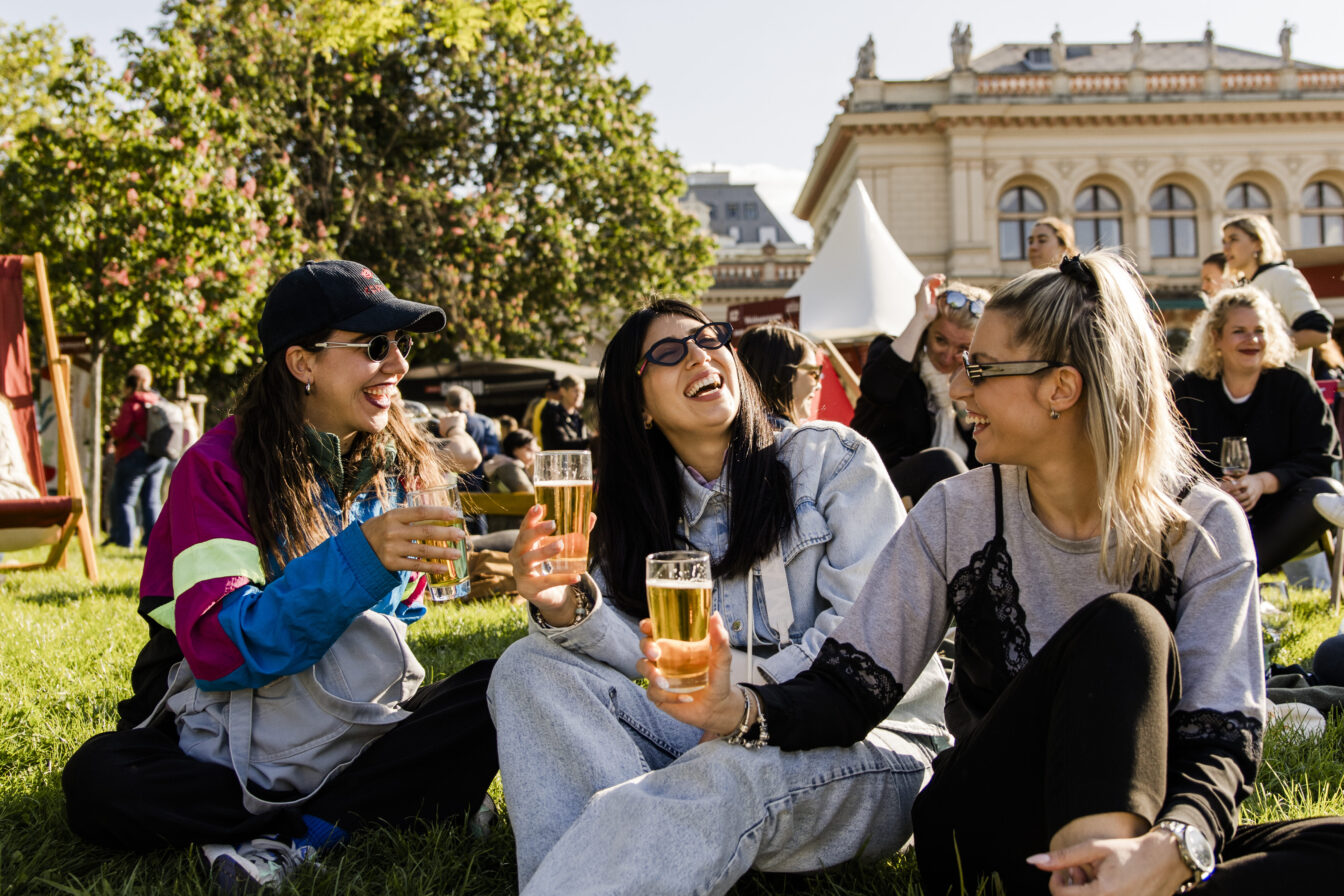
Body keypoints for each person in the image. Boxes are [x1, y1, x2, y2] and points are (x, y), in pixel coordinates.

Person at [646, 253, 1344, 896]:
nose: (955, 387)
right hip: (986, 830)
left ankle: (1124, 879)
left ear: (1060, 388)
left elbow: (1221, 738)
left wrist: (1177, 844)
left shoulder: (1204, 525)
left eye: (979, 370)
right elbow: (848, 691)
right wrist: (737, 708)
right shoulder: (960, 511)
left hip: (1145, 826)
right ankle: (1097, 877)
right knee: (1125, 626)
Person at [62, 260, 498, 892]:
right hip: (235, 719)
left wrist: (528, 579)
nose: (399, 365)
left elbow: (399, 624)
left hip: (352, 716)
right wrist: (359, 558)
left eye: (401, 345)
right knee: (101, 781)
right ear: (303, 363)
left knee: (501, 685)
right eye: (375, 346)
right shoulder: (215, 468)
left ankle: (295, 827)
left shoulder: (399, 466)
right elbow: (218, 649)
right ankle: (362, 809)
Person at [488, 298, 947, 895]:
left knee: (726, 768)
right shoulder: (644, 513)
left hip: (869, 745)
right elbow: (645, 659)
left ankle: (641, 850)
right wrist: (563, 605)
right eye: (669, 353)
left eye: (710, 340)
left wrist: (742, 707)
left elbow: (864, 645)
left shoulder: (831, 459)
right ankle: (634, 860)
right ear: (640, 407)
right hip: (714, 733)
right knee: (525, 668)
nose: (701, 355)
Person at [1173, 287, 1341, 574]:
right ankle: (1227, 574)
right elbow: (1169, 461)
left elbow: (1322, 456)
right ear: (1216, 337)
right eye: (1239, 331)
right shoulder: (1189, 391)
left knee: (1325, 492)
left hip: (1277, 512)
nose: (1252, 340)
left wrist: (1264, 482)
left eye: (1259, 331)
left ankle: (1234, 574)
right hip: (1208, 514)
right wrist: (1213, 489)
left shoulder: (1295, 386)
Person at [850, 276, 988, 504]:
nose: (947, 355)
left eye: (962, 348)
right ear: (927, 331)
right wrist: (921, 317)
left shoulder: (973, 382)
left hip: (942, 502)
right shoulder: (897, 355)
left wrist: (965, 397)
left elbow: (980, 461)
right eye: (940, 340)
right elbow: (877, 389)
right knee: (941, 462)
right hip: (874, 488)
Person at [1222, 214, 1331, 373]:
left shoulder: (1282, 276)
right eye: (1224, 242)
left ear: (1257, 243)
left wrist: (1262, 349)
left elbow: (1318, 333)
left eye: (1233, 239)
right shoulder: (1244, 287)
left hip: (1284, 390)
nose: (1226, 248)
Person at [106, 364, 169, 547]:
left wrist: (113, 430)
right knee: (151, 500)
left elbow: (121, 431)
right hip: (157, 457)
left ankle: (125, 541)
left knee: (125, 501)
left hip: (134, 455)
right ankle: (153, 543)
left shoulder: (132, 403)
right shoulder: (157, 400)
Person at [736, 321, 822, 425]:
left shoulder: (734, 431)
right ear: (783, 373)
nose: (818, 385)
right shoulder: (788, 437)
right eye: (813, 373)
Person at [538, 374, 589, 450]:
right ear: (563, 391)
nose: (579, 395)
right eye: (575, 391)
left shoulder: (578, 417)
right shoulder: (552, 413)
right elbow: (560, 444)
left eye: (582, 392)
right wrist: (590, 442)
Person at [525, 378, 561, 449]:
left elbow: (526, 422)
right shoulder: (552, 406)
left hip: (538, 448)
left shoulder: (538, 403)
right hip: (546, 449)